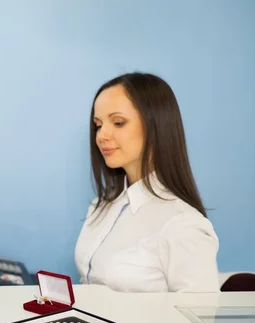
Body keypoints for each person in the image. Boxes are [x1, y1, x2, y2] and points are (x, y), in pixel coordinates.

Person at [74, 72, 219, 293]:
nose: (102, 135)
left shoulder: (182, 225)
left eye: (118, 123)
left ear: (156, 126)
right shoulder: (100, 206)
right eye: (98, 125)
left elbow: (200, 321)